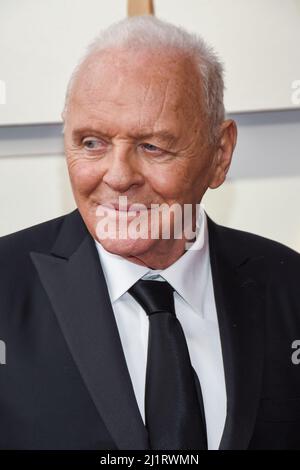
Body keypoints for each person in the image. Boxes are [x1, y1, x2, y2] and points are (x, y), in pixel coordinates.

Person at [0, 15, 300, 451]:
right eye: (91, 143)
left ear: (220, 155)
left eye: (152, 146)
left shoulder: (289, 285)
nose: (118, 176)